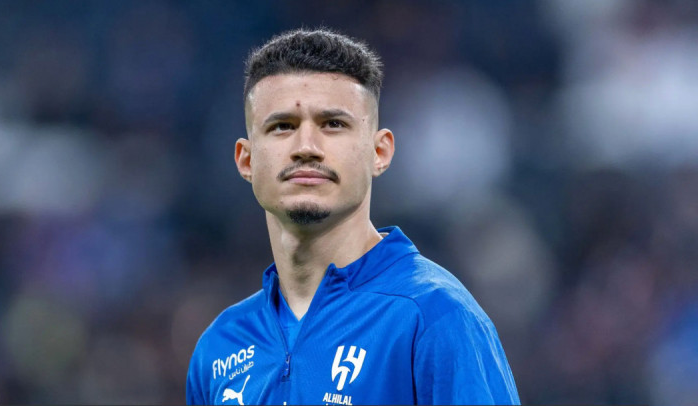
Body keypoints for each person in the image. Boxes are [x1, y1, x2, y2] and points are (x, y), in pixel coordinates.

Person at [186, 28, 520, 405]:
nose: (306, 147)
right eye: (282, 126)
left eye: (333, 124)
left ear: (380, 152)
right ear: (246, 160)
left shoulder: (433, 315)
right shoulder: (219, 349)